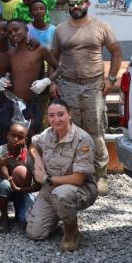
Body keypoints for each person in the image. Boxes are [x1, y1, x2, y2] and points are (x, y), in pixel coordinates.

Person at [50, 0, 122, 196]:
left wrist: (111, 79)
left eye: (79, 3)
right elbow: (53, 58)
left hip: (94, 86)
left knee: (95, 131)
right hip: (68, 86)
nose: (75, 7)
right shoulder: (60, 30)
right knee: (71, 132)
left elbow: (116, 51)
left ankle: (100, 174)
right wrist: (52, 82)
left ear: (87, 4)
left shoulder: (101, 26)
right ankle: (77, 174)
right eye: (72, 4)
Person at [26, 99, 98, 251]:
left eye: (60, 114)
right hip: (50, 189)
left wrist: (46, 179)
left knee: (61, 195)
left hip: (77, 189)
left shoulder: (82, 139)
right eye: (51, 115)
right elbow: (32, 145)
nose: (56, 119)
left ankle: (72, 231)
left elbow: (79, 179)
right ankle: (60, 213)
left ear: (70, 114)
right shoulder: (48, 134)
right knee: (35, 233)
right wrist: (38, 158)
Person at [0, 19, 60, 138]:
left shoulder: (39, 49)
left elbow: (58, 68)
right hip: (13, 103)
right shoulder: (10, 53)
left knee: (33, 137)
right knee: (14, 137)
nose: (13, 34)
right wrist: (2, 81)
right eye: (10, 32)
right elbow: (8, 73)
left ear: (26, 30)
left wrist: (46, 81)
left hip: (32, 102)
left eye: (16, 30)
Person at [0, 118, 40, 233]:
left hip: (24, 190)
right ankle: (4, 217)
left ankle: (19, 209)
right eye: (12, 135)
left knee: (25, 221)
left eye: (19, 137)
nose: (15, 139)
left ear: (25, 140)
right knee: (3, 185)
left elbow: (39, 184)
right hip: (7, 187)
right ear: (7, 135)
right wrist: (9, 179)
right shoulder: (1, 150)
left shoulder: (30, 156)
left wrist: (21, 189)